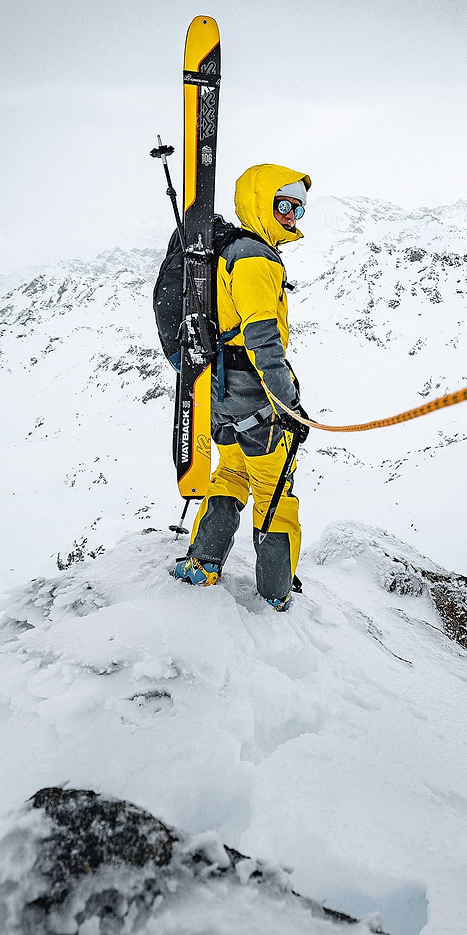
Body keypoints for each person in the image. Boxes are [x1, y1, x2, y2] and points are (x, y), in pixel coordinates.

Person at [173, 164, 311, 611]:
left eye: (298, 208)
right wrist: (289, 404)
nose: (292, 215)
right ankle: (277, 592)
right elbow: (263, 341)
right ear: (259, 201)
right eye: (283, 204)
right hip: (255, 394)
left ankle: (203, 563)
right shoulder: (256, 258)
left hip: (219, 391)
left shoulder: (226, 251)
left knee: (231, 473)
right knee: (274, 489)